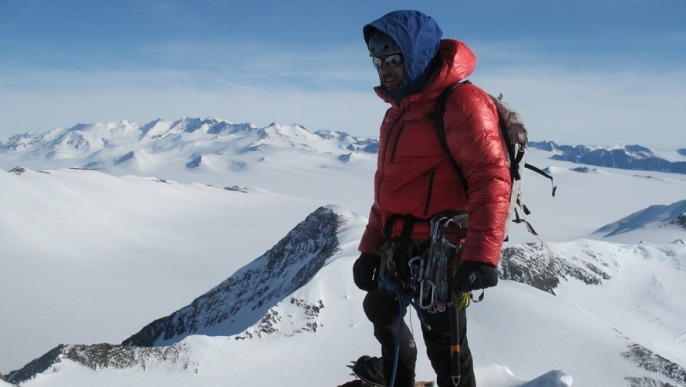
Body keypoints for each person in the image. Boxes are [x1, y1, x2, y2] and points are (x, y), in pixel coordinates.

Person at [352, 10, 512, 387]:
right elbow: (386, 194)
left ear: (417, 54)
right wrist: (370, 249)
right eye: (377, 60)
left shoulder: (462, 103)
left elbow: (491, 178)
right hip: (399, 247)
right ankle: (398, 379)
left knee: (446, 346)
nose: (384, 69)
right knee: (381, 310)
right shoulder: (396, 114)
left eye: (393, 59)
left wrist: (482, 256)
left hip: (441, 252)